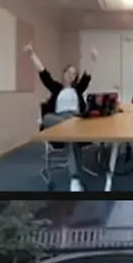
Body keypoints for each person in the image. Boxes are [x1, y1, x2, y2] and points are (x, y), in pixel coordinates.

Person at [28, 42, 100, 192]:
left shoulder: (78, 89)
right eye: (68, 72)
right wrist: (32, 54)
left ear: (75, 78)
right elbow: (44, 74)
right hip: (58, 121)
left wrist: (93, 60)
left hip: (75, 121)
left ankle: (75, 179)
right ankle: (71, 127)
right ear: (64, 74)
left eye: (74, 74)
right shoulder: (56, 88)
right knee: (47, 118)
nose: (71, 75)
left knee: (72, 137)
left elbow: (87, 77)